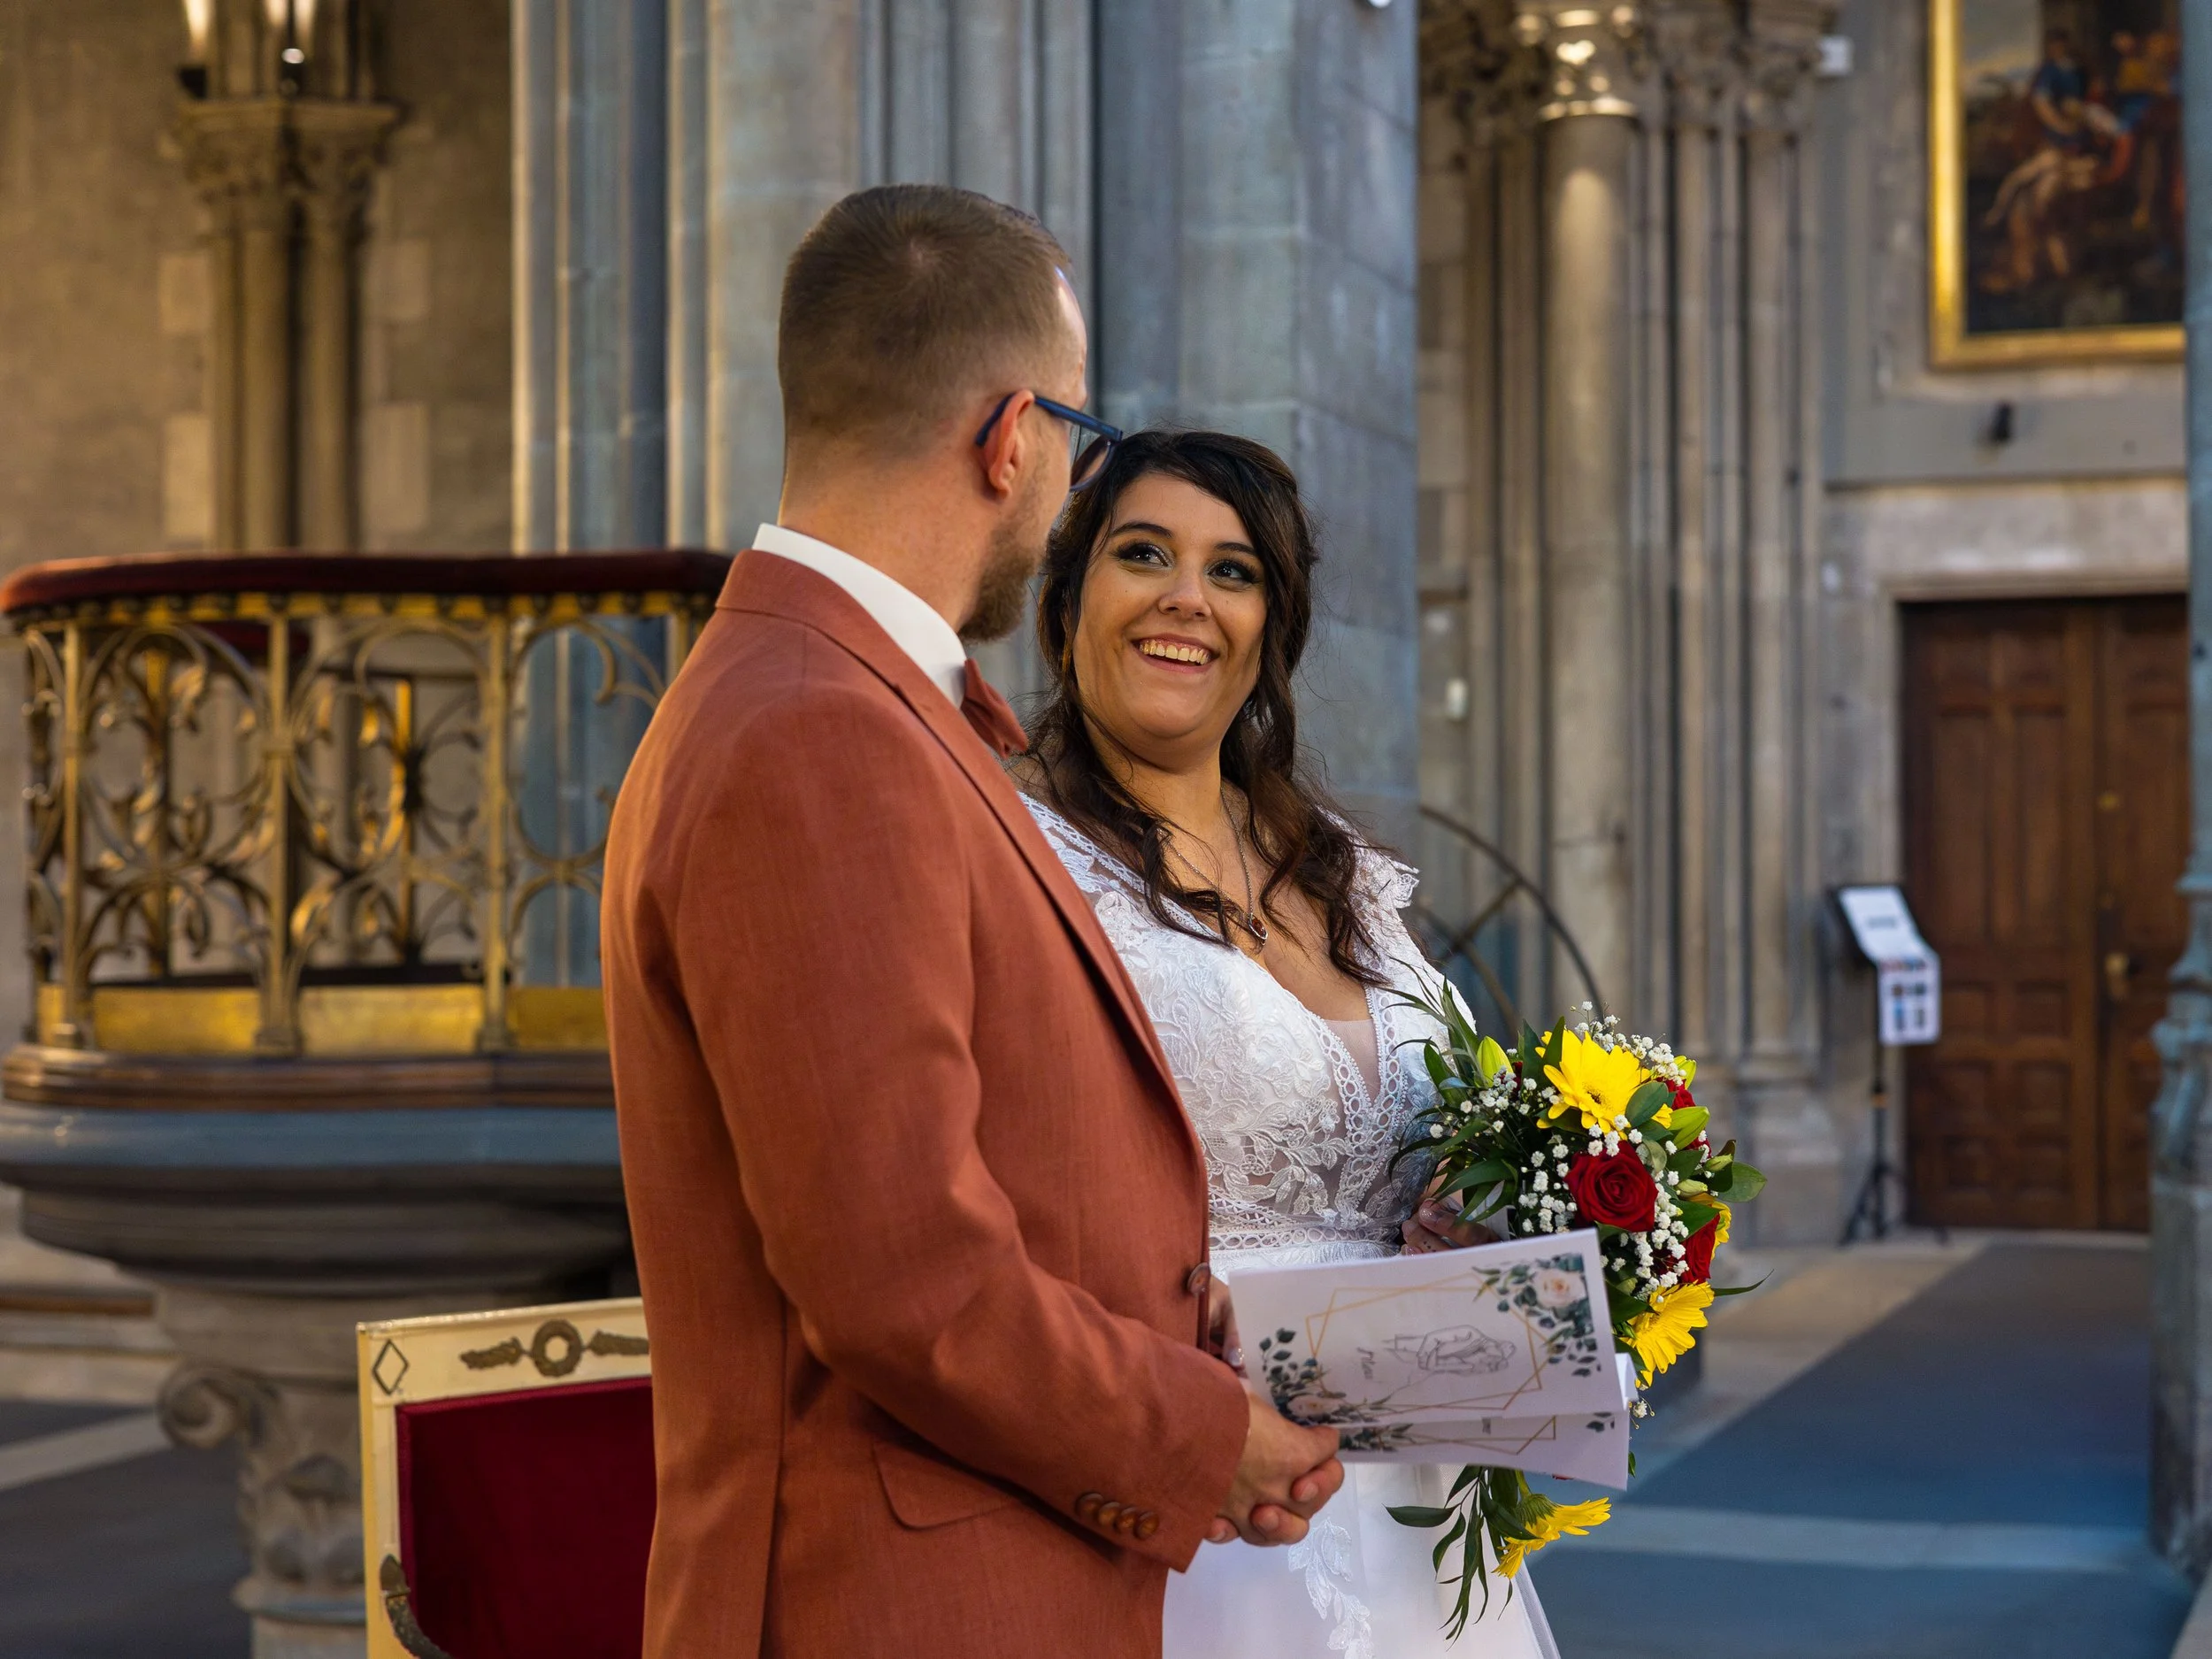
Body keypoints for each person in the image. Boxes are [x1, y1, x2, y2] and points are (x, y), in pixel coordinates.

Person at [601, 186, 1343, 1658]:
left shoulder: (844, 699)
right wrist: (1201, 1439)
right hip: (902, 1607)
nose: (1067, 485)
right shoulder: (816, 730)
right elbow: (905, 1277)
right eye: (1078, 440)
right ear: (1013, 437)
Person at [1014, 429, 1560, 1659]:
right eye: (1142, 553)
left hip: (1416, 1500)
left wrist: (1490, 1215)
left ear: (1273, 626)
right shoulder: (1017, 859)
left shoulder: (1344, 873)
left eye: (1235, 570)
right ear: (1065, 601)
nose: (1186, 597)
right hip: (1198, 1501)